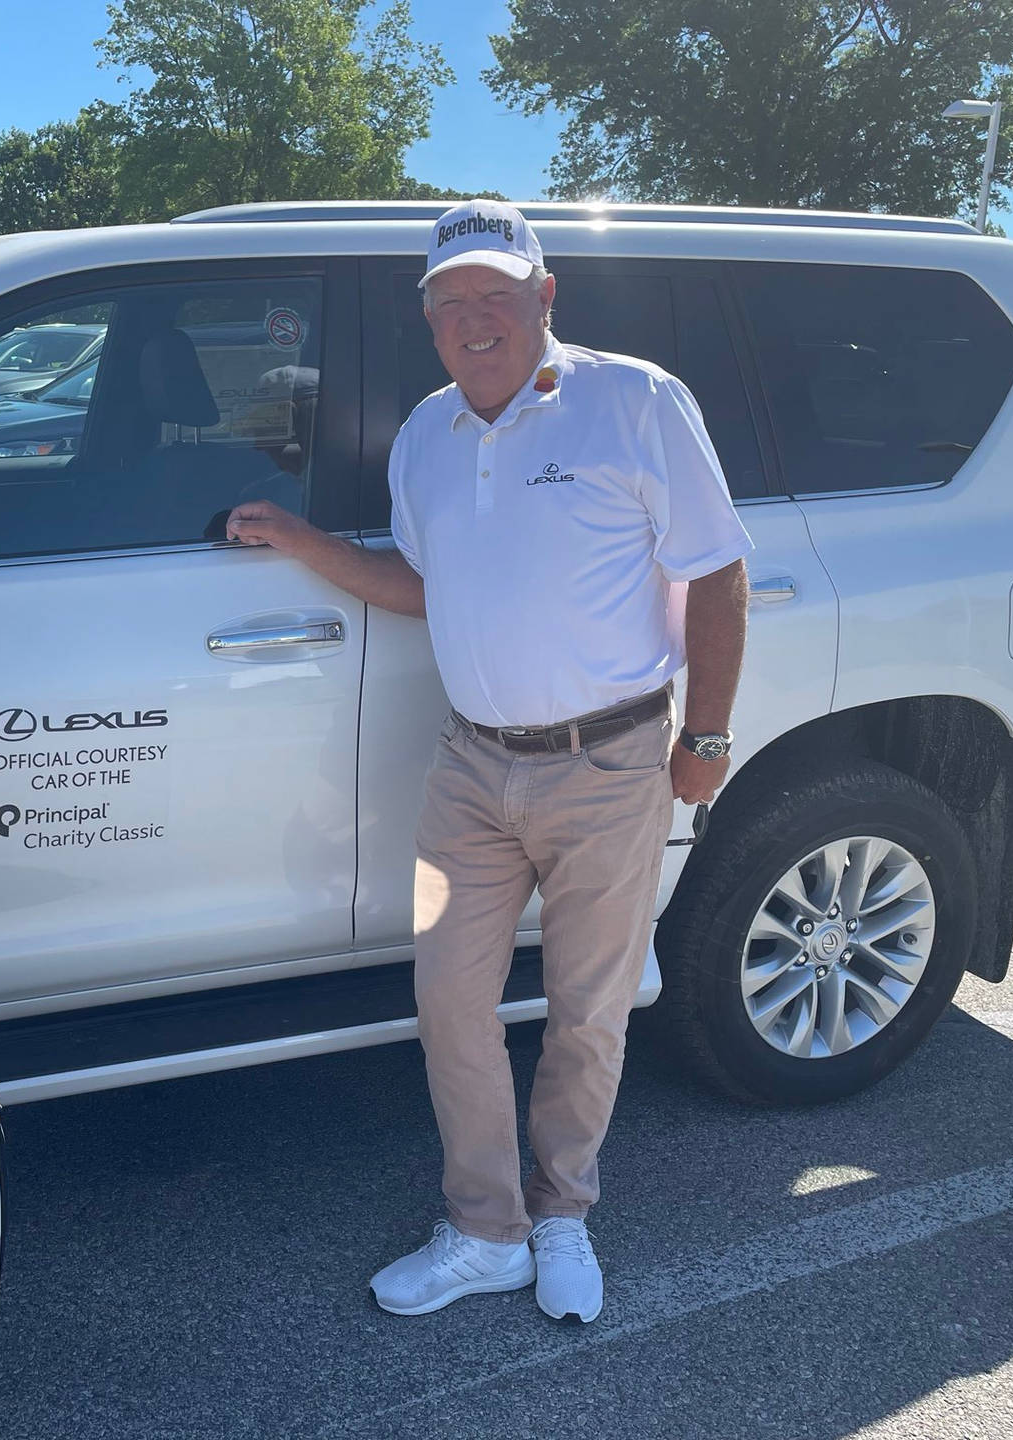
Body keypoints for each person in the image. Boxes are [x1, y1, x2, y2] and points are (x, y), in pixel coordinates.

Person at [225, 198, 752, 1323]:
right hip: (468, 770)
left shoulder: (635, 401)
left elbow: (717, 573)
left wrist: (704, 738)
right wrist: (305, 544)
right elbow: (431, 589)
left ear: (545, 297)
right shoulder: (426, 435)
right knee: (448, 999)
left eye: (496, 296)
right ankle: (485, 1230)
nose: (473, 319)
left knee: (587, 1008)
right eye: (450, 301)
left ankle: (562, 1212)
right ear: (427, 318)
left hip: (609, 764)